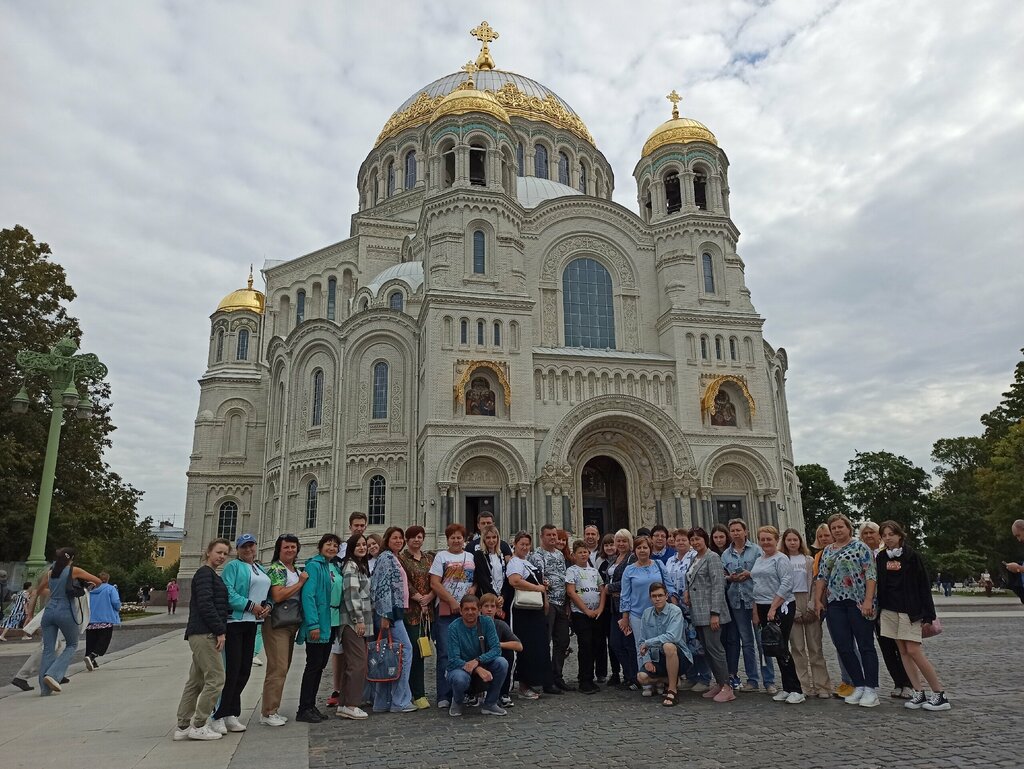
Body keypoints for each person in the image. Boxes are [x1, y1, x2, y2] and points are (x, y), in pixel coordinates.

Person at [876, 521, 950, 711]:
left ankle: (939, 693)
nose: (888, 538)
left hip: (909, 610)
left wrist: (928, 614)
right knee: (902, 652)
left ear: (900, 535)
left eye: (891, 534)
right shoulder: (882, 557)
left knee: (914, 651)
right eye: (884, 535)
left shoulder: (911, 556)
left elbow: (923, 585)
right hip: (889, 610)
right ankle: (918, 691)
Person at [814, 513, 880, 708]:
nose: (836, 530)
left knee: (865, 645)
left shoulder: (860, 547)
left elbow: (870, 573)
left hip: (858, 601)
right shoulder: (827, 551)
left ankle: (871, 688)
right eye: (833, 527)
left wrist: (868, 600)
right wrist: (818, 600)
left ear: (848, 528)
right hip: (835, 602)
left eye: (840, 527)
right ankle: (858, 684)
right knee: (843, 646)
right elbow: (821, 576)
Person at [174, 538, 231, 741]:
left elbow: (214, 602)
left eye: (225, 553)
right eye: (218, 552)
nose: (222, 556)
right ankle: (199, 724)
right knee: (216, 679)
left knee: (196, 681)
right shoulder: (205, 574)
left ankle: (182, 726)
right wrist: (220, 630)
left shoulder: (209, 575)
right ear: (208, 552)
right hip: (205, 633)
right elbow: (206, 604)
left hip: (200, 632)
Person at [35, 546, 101, 695]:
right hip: (65, 610)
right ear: (71, 558)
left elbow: (38, 591)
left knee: (48, 649)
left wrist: (29, 614)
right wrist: (87, 587)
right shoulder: (74, 571)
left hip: (49, 611)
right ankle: (53, 675)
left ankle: (44, 690)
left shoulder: (50, 573)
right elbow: (97, 581)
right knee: (72, 644)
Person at [750, 526, 803, 704]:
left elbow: (787, 583)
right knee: (774, 647)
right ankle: (787, 687)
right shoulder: (759, 559)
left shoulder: (781, 559)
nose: (765, 542)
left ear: (776, 539)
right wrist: (756, 611)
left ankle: (796, 689)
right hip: (764, 606)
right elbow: (756, 586)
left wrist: (773, 608)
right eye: (762, 539)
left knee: (781, 646)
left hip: (781, 606)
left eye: (769, 539)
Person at [721, 518, 775, 694]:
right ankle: (752, 679)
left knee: (763, 641)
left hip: (757, 600)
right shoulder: (726, 555)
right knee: (747, 642)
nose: (736, 533)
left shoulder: (757, 551)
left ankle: (769, 680)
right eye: (733, 530)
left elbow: (765, 572)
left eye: (738, 530)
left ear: (746, 532)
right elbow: (723, 575)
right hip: (737, 601)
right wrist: (731, 578)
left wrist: (749, 574)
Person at [861, 520, 913, 698]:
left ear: (879, 536)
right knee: (886, 647)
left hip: (893, 604)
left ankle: (908, 683)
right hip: (875, 606)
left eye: (872, 533)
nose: (868, 536)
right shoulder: (861, 553)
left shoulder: (886, 554)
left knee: (901, 647)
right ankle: (898, 682)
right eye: (865, 533)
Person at [260, 533, 308, 727]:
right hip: (277, 624)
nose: (290, 550)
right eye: (286, 547)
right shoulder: (276, 569)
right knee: (277, 667)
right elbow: (278, 596)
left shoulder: (293, 569)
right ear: (279, 550)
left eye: (293, 547)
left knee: (283, 666)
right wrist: (300, 583)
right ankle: (268, 712)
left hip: (289, 623)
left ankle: (272, 709)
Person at [684, 527, 734, 703]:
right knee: (707, 650)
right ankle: (719, 684)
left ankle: (727, 686)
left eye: (698, 539)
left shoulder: (712, 557)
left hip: (710, 612)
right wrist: (687, 592)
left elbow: (718, 585)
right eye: (692, 540)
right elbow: (691, 579)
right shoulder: (695, 558)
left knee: (716, 649)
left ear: (705, 539)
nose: (695, 542)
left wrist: (715, 613)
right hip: (698, 611)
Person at [429, 523, 477, 708]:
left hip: (468, 613)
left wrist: (472, 591)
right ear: (447, 539)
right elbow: (435, 583)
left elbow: (475, 581)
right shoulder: (441, 556)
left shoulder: (471, 557)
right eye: (452, 537)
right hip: (446, 611)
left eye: (459, 537)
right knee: (446, 653)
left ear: (464, 539)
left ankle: (464, 692)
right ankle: (444, 694)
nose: (456, 540)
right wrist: (452, 601)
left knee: (467, 652)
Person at [782, 528, 832, 699]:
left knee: (815, 646)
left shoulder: (809, 560)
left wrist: (812, 604)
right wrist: (791, 607)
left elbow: (815, 583)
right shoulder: (782, 560)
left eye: (795, 539)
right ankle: (802, 685)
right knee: (797, 647)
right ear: (785, 542)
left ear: (800, 541)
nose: (792, 543)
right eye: (789, 540)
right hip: (790, 600)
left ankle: (822, 685)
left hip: (808, 598)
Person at [295, 533, 341, 723]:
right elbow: (308, 596)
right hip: (318, 623)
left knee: (320, 665)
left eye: (335, 545)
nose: (332, 548)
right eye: (328, 545)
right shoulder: (314, 566)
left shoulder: (334, 566)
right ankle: (303, 708)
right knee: (313, 666)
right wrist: (312, 624)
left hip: (331, 622)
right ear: (321, 547)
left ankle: (311, 705)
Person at [370, 526, 416, 713]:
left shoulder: (392, 558)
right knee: (404, 652)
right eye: (394, 538)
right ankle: (400, 700)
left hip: (393, 613)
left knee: (387, 655)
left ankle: (382, 702)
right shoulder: (386, 558)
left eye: (400, 538)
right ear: (387, 540)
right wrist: (385, 615)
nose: (398, 541)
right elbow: (381, 587)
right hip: (389, 614)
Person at [619, 536, 669, 696]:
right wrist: (625, 616)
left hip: (659, 612)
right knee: (641, 647)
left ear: (650, 549)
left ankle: (660, 679)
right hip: (637, 613)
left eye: (645, 547)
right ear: (635, 550)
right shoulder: (629, 570)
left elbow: (668, 585)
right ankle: (647, 681)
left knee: (660, 646)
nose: (642, 550)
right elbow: (625, 594)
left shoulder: (659, 565)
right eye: (639, 548)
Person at [444, 595, 509, 717]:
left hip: (482, 663)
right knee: (459, 678)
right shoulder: (453, 627)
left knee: (502, 663)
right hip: (461, 667)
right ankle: (457, 701)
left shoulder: (487, 622)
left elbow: (496, 649)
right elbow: (453, 659)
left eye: (473, 609)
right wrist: (477, 667)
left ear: (479, 610)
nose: (470, 612)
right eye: (466, 609)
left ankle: (490, 703)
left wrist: (478, 660)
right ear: (461, 610)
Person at [505, 531, 551, 699]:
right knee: (527, 647)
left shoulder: (527, 562)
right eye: (521, 544)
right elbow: (515, 581)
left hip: (534, 611)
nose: (524, 547)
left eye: (527, 544)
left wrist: (544, 597)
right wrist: (538, 588)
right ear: (515, 545)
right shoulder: (515, 562)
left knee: (537, 646)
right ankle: (524, 685)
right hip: (523, 613)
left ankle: (533, 681)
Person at [667, 528, 712, 693]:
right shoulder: (671, 560)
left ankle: (705, 677)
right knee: (684, 642)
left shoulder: (695, 557)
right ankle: (691, 676)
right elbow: (667, 580)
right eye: (677, 539)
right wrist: (671, 596)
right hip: (676, 607)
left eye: (683, 540)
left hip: (693, 605)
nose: (680, 542)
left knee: (699, 641)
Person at [529, 523, 573, 691]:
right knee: (544, 641)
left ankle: (557, 675)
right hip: (548, 603)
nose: (553, 538)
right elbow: (540, 579)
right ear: (542, 537)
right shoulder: (537, 555)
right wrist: (545, 601)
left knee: (562, 640)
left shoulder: (560, 555)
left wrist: (568, 602)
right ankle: (545, 679)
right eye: (549, 535)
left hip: (562, 602)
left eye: (555, 535)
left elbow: (564, 576)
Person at [636, 582, 690, 707]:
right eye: (654, 596)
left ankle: (672, 690)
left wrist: (648, 643)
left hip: (679, 655)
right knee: (641, 677)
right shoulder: (646, 613)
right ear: (650, 598)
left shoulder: (675, 611)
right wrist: (647, 660)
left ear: (666, 596)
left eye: (660, 595)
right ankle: (671, 680)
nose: (657, 599)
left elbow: (673, 637)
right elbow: (641, 640)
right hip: (657, 657)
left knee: (668, 646)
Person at [337, 533, 373, 719]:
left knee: (352, 663)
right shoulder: (351, 566)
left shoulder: (361, 566)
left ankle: (344, 704)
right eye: (358, 545)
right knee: (358, 664)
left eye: (364, 544)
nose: (362, 547)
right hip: (353, 623)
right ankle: (351, 704)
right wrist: (358, 620)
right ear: (351, 548)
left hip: (358, 621)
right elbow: (351, 594)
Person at [399, 525, 434, 709]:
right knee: (413, 651)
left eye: (419, 536)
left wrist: (429, 597)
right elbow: (403, 580)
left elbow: (436, 579)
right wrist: (420, 598)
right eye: (412, 537)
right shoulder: (402, 558)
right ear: (407, 539)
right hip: (411, 612)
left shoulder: (429, 558)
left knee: (423, 650)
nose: (416, 540)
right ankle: (416, 693)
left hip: (427, 613)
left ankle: (418, 692)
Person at [565, 540, 607, 694]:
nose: (583, 554)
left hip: (597, 613)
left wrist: (600, 608)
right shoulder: (572, 571)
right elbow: (571, 592)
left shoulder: (594, 571)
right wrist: (586, 610)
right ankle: (584, 680)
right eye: (579, 552)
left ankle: (592, 676)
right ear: (574, 555)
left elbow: (602, 590)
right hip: (581, 614)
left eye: (585, 552)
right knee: (585, 645)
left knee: (596, 644)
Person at [606, 528, 638, 690]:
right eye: (618, 541)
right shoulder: (614, 558)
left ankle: (634, 677)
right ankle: (629, 674)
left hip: (627, 606)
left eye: (624, 541)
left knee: (628, 643)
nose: (621, 543)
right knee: (615, 643)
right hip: (613, 607)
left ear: (630, 542)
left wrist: (608, 588)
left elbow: (628, 581)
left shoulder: (632, 558)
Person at [479, 592, 521, 707]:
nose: (489, 610)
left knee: (508, 654)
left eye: (492, 606)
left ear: (497, 609)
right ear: (480, 608)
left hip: (495, 659)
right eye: (486, 606)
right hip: (478, 660)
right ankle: (473, 693)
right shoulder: (474, 624)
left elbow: (519, 646)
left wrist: (498, 644)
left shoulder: (500, 625)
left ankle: (503, 694)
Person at [595, 534, 619, 684]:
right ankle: (603, 672)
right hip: (602, 605)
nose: (610, 548)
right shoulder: (599, 561)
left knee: (616, 641)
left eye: (612, 544)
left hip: (616, 605)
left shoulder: (622, 561)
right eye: (607, 545)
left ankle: (617, 671)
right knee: (602, 641)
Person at [83, 573, 120, 669]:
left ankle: (90, 659)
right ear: (108, 579)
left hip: (91, 620)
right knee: (103, 641)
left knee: (91, 641)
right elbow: (115, 602)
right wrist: (118, 608)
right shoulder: (110, 589)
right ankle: (92, 656)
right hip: (105, 619)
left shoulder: (91, 590)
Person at [473, 524, 509, 616]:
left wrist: (503, 596)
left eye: (494, 537)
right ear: (484, 539)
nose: (491, 540)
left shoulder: (501, 555)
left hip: (501, 597)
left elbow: (506, 577)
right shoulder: (479, 555)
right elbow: (482, 578)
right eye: (488, 537)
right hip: (487, 597)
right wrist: (495, 598)